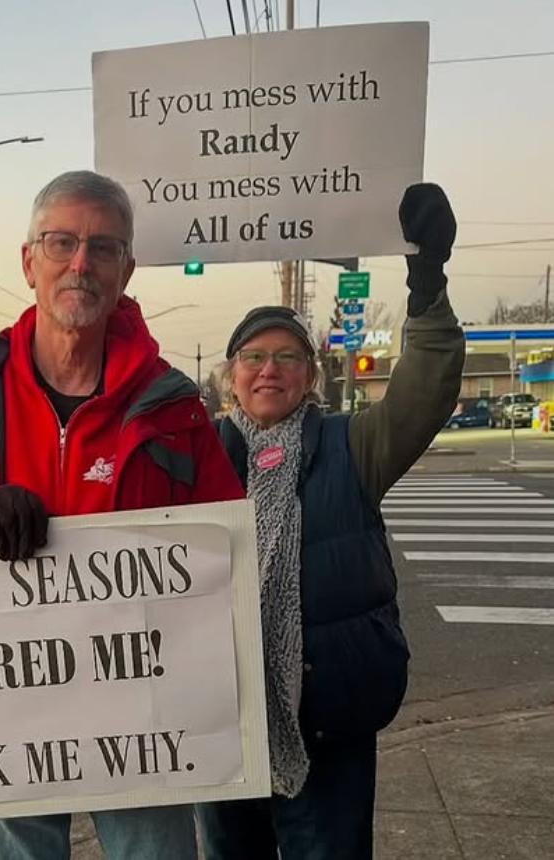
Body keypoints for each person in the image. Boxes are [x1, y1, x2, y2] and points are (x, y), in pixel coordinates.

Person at [0, 170, 245, 860]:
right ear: (28, 260)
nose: (81, 264)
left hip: (140, 715)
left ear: (126, 269)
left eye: (102, 248)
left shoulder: (173, 409)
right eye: (61, 242)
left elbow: (227, 558)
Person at [195, 183, 465, 860]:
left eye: (286, 356)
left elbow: (423, 395)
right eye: (253, 357)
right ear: (231, 377)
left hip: (331, 721)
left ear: (309, 374)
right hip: (220, 726)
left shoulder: (354, 444)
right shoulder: (196, 454)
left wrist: (426, 283)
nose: (268, 369)